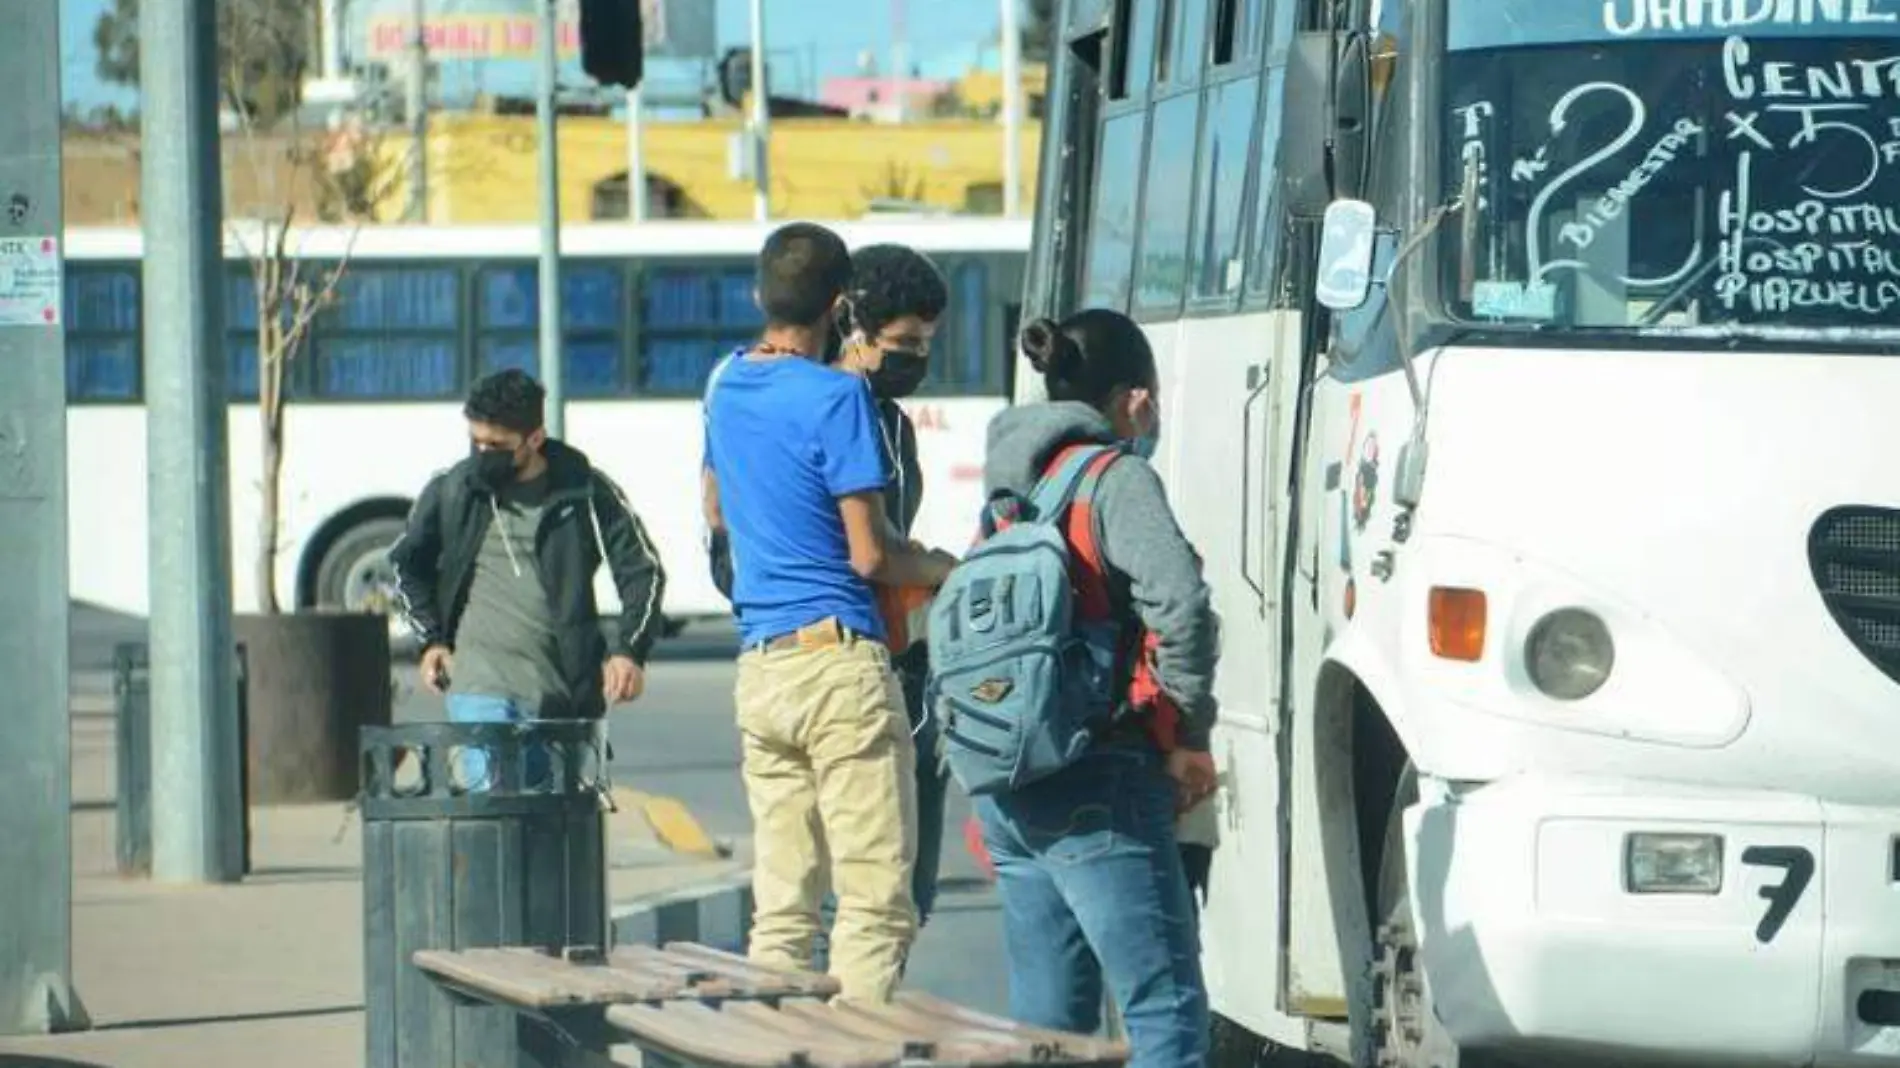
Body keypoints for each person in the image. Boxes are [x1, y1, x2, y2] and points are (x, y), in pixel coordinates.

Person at [700, 222, 957, 1004]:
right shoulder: (840, 398)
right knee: (878, 907)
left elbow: (715, 516)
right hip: (841, 665)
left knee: (783, 911)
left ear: (758, 295)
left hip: (762, 664)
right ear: (841, 307)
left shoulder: (726, 380)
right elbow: (872, 556)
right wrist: (946, 568)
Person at [975, 310, 1220, 1068]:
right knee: (1164, 1008)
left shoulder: (1012, 486)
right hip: (1098, 769)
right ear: (1135, 401)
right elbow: (1181, 605)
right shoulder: (1116, 478)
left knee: (1053, 1030)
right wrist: (1187, 735)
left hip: (1007, 776)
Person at [390, 369, 667, 788]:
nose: (483, 453)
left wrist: (630, 651)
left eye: (497, 446)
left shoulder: (586, 492)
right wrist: (431, 640)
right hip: (479, 685)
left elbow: (642, 571)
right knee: (494, 816)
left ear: (534, 439)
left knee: (547, 831)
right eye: (476, 442)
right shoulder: (454, 488)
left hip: (560, 695)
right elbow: (407, 565)